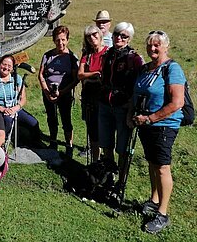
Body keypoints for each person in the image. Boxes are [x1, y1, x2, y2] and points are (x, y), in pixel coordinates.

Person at [130, 31, 185, 234]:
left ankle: (162, 214)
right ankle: (154, 200)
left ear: (166, 47)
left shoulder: (173, 69)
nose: (153, 48)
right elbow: (136, 93)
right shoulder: (146, 68)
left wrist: (151, 118)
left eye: (157, 45)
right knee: (152, 163)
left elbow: (177, 103)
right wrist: (133, 115)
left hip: (164, 124)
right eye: (150, 45)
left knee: (162, 166)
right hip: (145, 123)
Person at [99, 22, 143, 177]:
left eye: (124, 36)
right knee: (106, 143)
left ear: (129, 39)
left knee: (122, 147)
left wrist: (131, 106)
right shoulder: (107, 54)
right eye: (117, 34)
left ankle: (121, 181)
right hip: (104, 104)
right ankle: (108, 176)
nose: (119, 38)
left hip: (123, 107)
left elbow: (138, 85)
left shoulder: (134, 59)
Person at [0, 55, 43, 147]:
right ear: (0, 64)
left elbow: (23, 98)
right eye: (4, 64)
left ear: (12, 68)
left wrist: (15, 108)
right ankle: (2, 143)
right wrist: (2, 109)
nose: (6, 68)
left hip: (14, 108)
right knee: (8, 120)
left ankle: (36, 144)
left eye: (9, 66)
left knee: (33, 122)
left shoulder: (17, 78)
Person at [38, 25, 79, 156]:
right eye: (57, 40)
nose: (60, 43)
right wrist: (46, 91)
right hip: (48, 92)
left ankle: (69, 144)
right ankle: (53, 141)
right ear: (54, 40)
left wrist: (62, 92)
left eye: (63, 39)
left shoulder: (72, 57)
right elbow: (41, 74)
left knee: (66, 119)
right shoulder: (47, 55)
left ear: (67, 40)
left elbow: (75, 79)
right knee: (51, 118)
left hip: (65, 93)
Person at [78, 26, 109, 162]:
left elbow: (106, 75)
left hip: (104, 99)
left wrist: (88, 77)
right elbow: (80, 75)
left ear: (100, 34)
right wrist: (95, 74)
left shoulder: (108, 53)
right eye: (88, 36)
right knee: (92, 131)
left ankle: (107, 164)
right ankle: (95, 162)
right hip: (89, 98)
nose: (92, 38)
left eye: (94, 34)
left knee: (106, 131)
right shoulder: (87, 55)